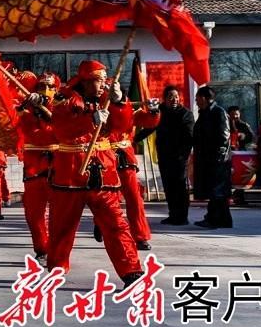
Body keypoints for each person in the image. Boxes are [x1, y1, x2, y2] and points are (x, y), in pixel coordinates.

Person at [44, 60, 142, 286]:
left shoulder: (106, 99)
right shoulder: (65, 98)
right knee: (63, 226)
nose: (103, 85)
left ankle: (131, 271)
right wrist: (89, 121)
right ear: (86, 82)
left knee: (116, 224)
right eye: (99, 81)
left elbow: (123, 127)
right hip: (71, 173)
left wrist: (119, 103)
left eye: (105, 81)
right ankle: (57, 267)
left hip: (103, 170)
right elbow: (61, 128)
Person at [104, 92, 160, 248]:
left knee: (135, 198)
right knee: (107, 198)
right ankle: (101, 224)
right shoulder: (98, 106)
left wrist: (153, 111)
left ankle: (140, 236)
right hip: (105, 156)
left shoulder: (130, 109)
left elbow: (149, 122)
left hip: (125, 155)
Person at [17, 71, 60, 263]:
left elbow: (59, 125)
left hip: (58, 162)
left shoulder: (62, 107)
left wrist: (43, 106)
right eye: (42, 86)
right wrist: (27, 104)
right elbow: (13, 122)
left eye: (50, 87)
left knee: (61, 211)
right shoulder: (25, 108)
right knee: (34, 212)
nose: (46, 90)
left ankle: (58, 248)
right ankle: (42, 248)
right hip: (33, 165)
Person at [137, 85, 194, 226]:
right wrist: (133, 139)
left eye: (176, 97)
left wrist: (184, 155)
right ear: (165, 99)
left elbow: (189, 137)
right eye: (170, 97)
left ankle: (182, 216)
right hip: (164, 155)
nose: (174, 99)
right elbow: (150, 127)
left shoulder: (185, 113)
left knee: (180, 186)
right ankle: (173, 214)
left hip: (179, 157)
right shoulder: (160, 111)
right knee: (168, 186)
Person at [192, 86, 233, 229]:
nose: (196, 102)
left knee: (216, 191)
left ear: (204, 98)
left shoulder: (218, 112)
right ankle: (224, 219)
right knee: (217, 192)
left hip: (217, 160)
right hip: (209, 158)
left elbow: (224, 137)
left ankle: (213, 219)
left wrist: (218, 157)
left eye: (197, 99)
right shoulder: (206, 113)